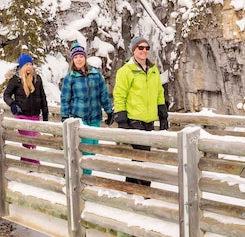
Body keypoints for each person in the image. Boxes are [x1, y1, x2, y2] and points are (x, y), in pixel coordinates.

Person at [112, 36, 168, 186]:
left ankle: (130, 185)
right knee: (144, 154)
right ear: (133, 50)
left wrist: (163, 115)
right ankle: (145, 190)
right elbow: (119, 94)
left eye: (147, 48)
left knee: (139, 155)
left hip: (149, 119)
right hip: (134, 119)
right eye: (140, 48)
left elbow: (159, 92)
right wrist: (121, 118)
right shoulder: (126, 71)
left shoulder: (153, 70)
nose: (144, 51)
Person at [60, 42, 114, 175]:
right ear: (73, 60)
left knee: (92, 149)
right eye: (76, 57)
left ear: (85, 58)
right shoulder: (70, 78)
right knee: (85, 150)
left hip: (95, 118)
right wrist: (65, 117)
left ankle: (83, 177)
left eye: (81, 56)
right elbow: (65, 99)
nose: (79, 59)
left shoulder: (96, 75)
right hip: (79, 120)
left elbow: (103, 95)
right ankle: (84, 179)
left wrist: (109, 111)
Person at [3, 52, 49, 164]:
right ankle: (34, 163)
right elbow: (6, 95)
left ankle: (26, 164)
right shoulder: (16, 79)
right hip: (22, 115)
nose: (29, 67)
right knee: (29, 141)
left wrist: (45, 114)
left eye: (30, 64)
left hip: (34, 115)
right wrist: (13, 104)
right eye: (26, 64)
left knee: (32, 142)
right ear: (22, 66)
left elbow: (43, 97)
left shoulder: (37, 79)